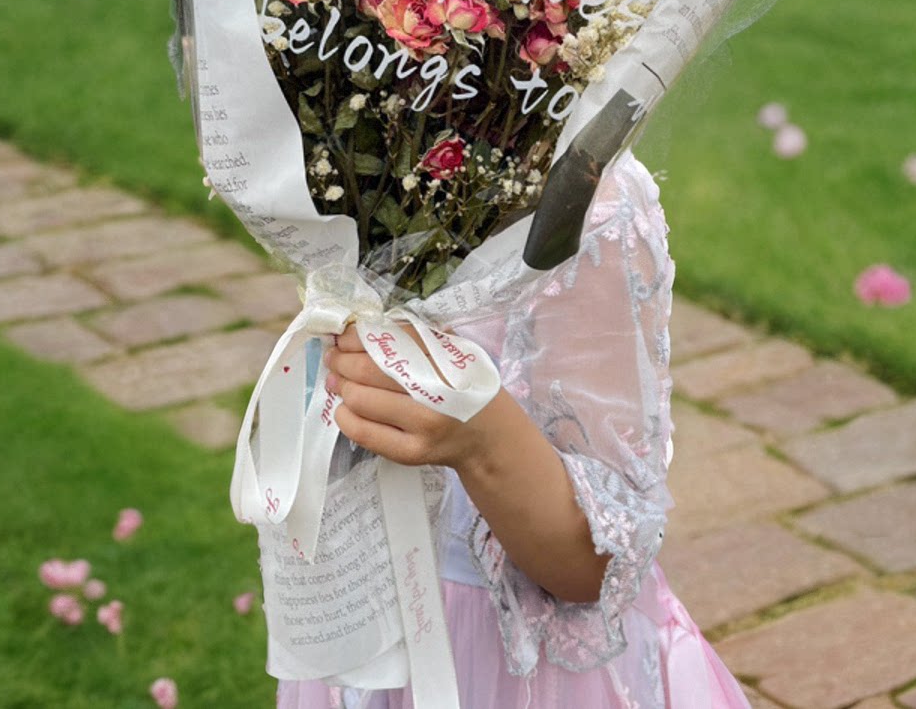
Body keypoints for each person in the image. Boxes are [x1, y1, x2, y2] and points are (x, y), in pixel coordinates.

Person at [275, 150, 752, 709]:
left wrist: (481, 440)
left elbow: (592, 569)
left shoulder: (583, 205)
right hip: (366, 617)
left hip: (508, 664)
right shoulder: (358, 165)